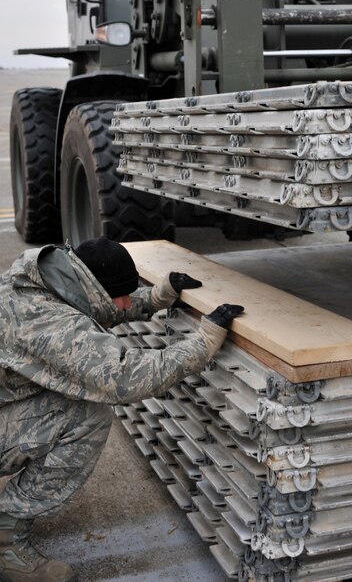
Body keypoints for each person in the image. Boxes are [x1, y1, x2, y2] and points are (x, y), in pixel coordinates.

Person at [0, 238, 244, 582]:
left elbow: (92, 305)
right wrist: (203, 343)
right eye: (123, 296)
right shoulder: (49, 325)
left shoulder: (36, 278)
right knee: (87, 416)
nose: (126, 302)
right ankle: (6, 540)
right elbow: (126, 378)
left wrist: (156, 297)